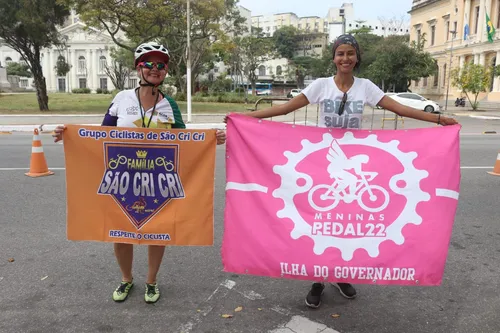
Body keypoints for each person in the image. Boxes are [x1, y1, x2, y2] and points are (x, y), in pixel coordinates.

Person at [224, 34, 458, 309]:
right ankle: (318, 279)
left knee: (347, 224)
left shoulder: (366, 88)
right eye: (340, 53)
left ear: (357, 57)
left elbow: (400, 109)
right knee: (321, 224)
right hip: (323, 162)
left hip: (356, 155)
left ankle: (342, 274)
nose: (345, 58)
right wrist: (241, 118)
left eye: (350, 53)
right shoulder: (321, 86)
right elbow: (286, 109)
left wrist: (438, 119)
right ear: (333, 58)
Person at [53, 42, 227, 304]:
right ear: (139, 68)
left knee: (159, 229)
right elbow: (101, 136)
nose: (155, 69)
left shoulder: (169, 105)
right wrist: (68, 135)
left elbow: (185, 141)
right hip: (123, 178)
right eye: (149, 64)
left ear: (165, 72)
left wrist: (212, 139)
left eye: (161, 65)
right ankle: (126, 279)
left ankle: (151, 281)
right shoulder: (122, 99)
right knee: (120, 230)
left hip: (156, 180)